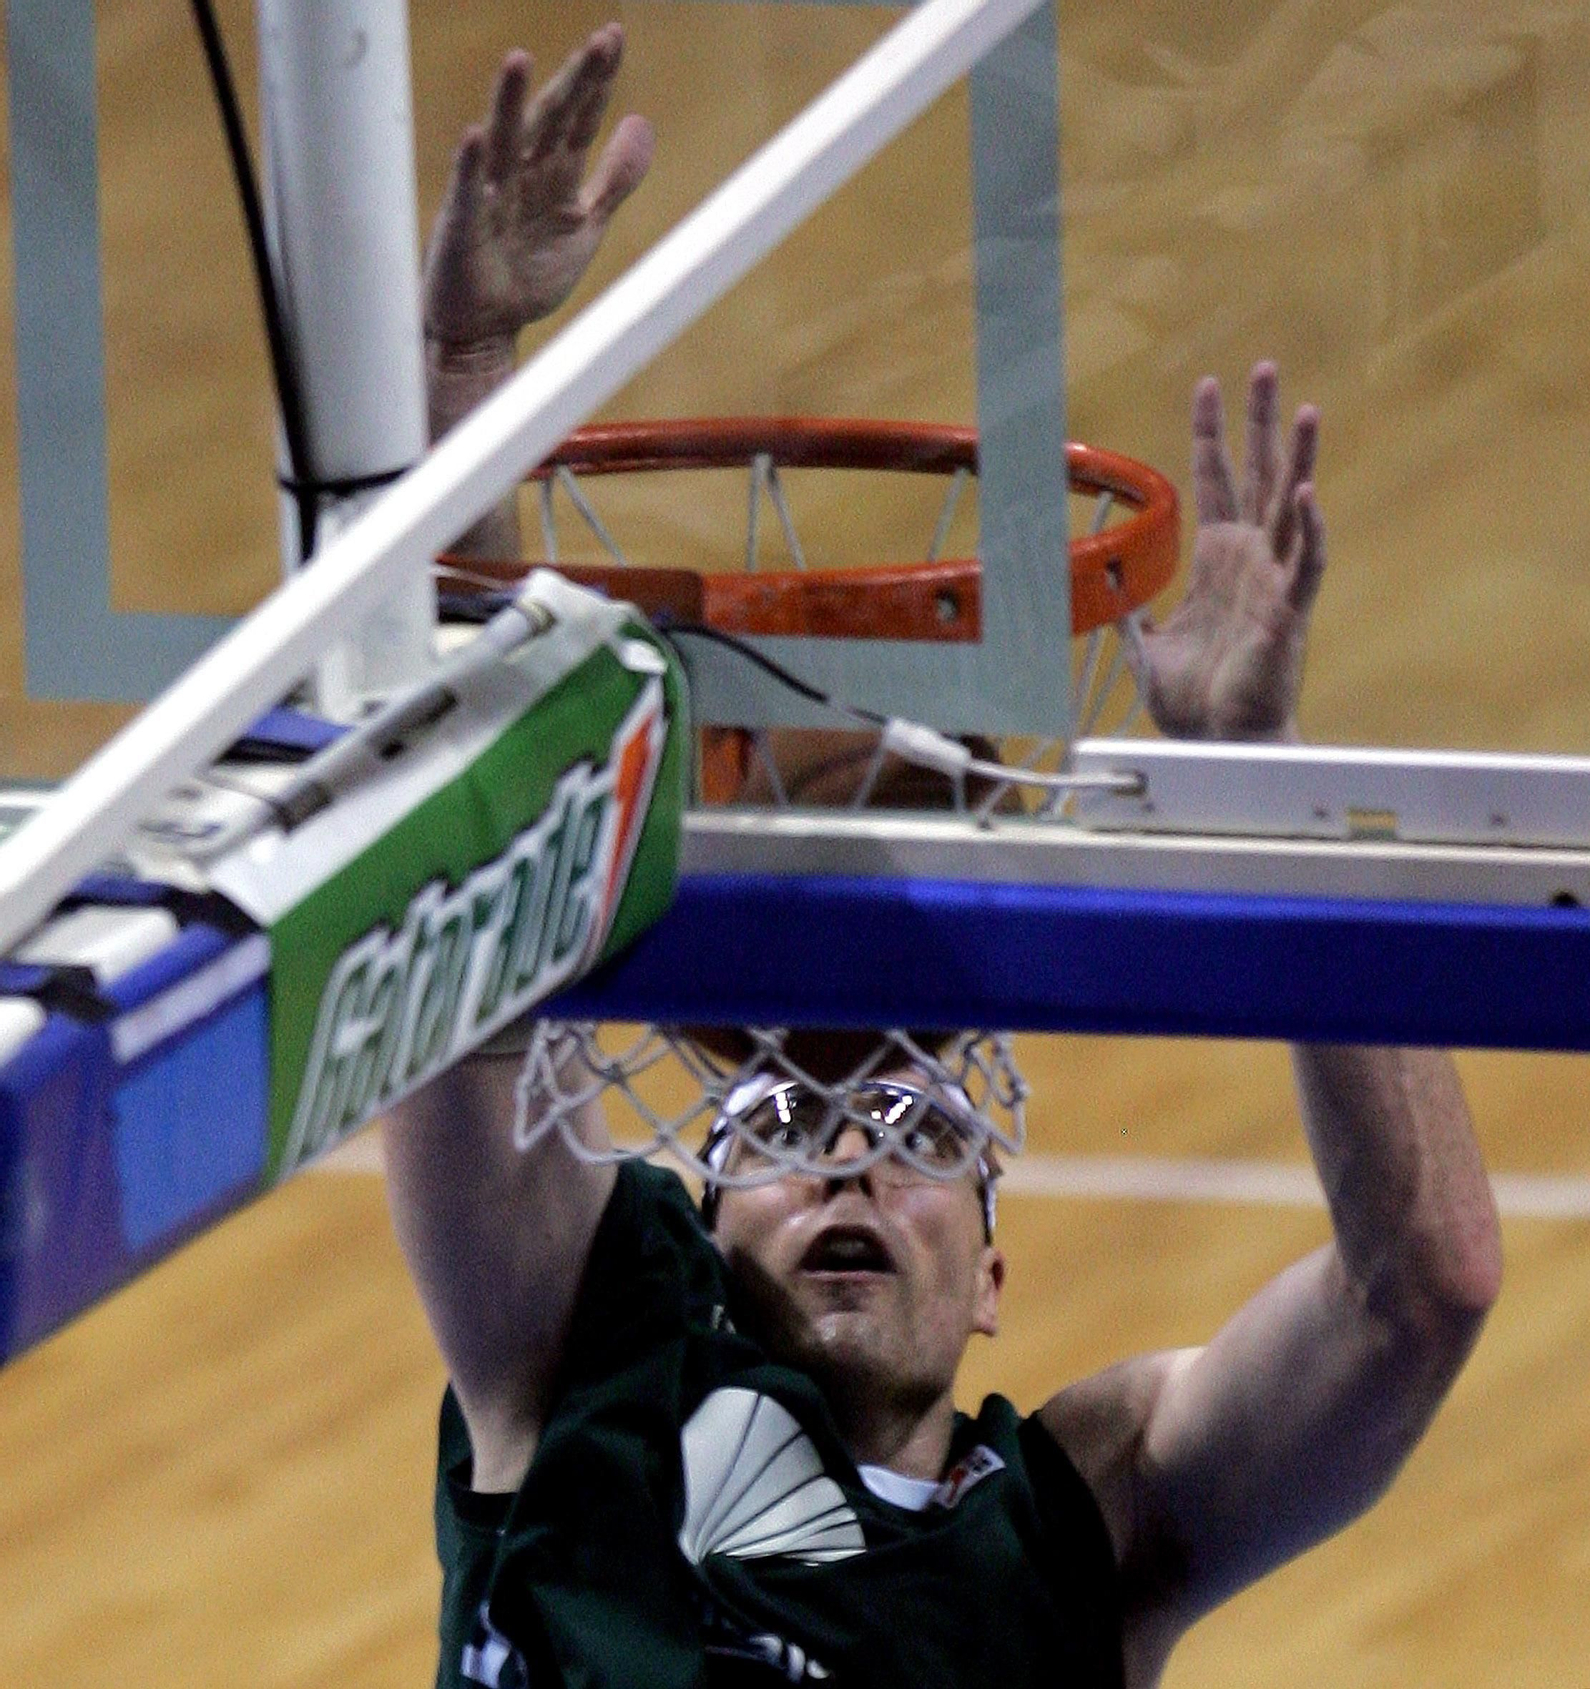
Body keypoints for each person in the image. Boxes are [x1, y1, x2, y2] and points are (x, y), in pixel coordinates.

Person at [390, 26, 1503, 1688]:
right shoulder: (581, 1346)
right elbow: (467, 911)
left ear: (994, 1270)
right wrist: (467, 385)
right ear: (703, 1205)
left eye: (916, 1130)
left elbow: (1423, 1286)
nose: (848, 1162)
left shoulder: (1087, 1520)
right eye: (778, 1126)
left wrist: (1258, 788)